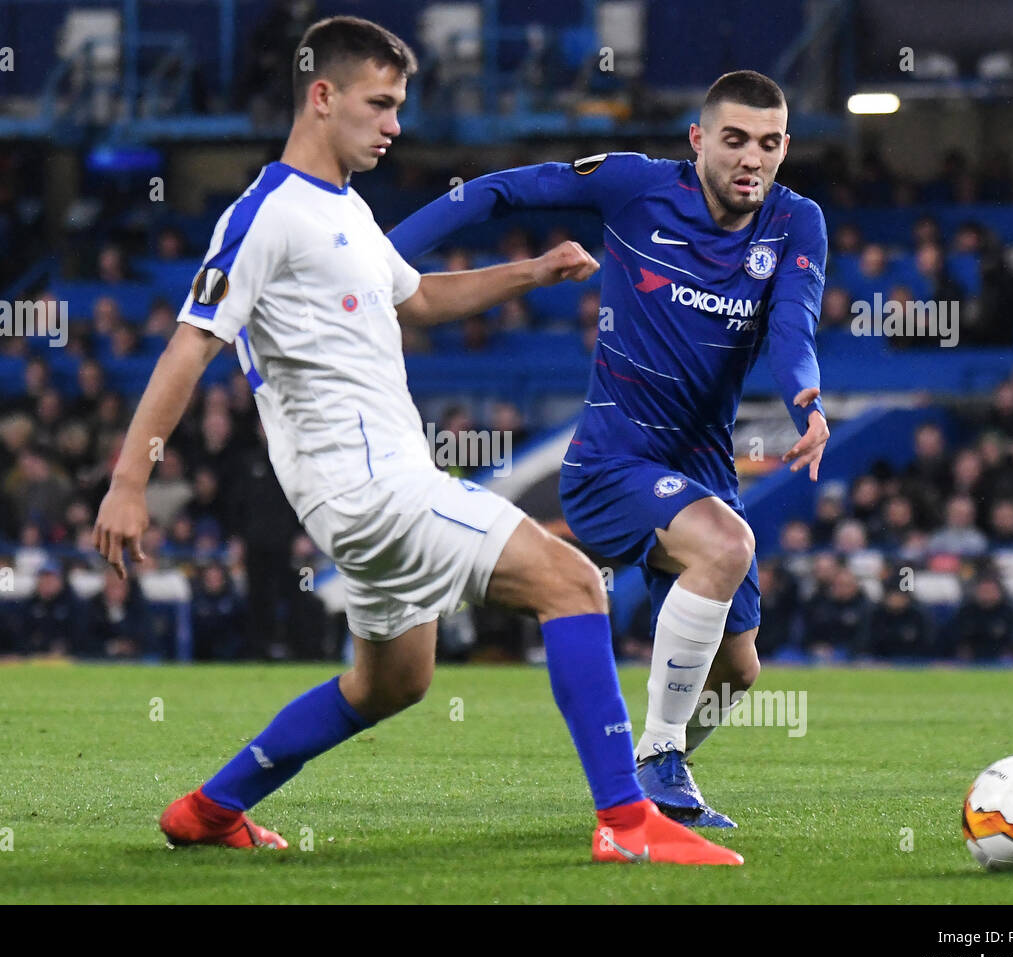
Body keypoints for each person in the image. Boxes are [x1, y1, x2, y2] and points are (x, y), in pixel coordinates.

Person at [91, 16, 740, 866]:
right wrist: (128, 482)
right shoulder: (268, 215)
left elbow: (417, 300)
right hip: (370, 487)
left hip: (367, 489)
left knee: (392, 681)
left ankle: (211, 808)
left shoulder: (349, 212)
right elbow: (191, 342)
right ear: (322, 97)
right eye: (381, 103)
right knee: (574, 582)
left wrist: (531, 272)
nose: (396, 123)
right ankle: (627, 821)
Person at [389, 70, 828, 827]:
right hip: (608, 465)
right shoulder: (632, 186)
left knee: (739, 667)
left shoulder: (796, 222)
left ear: (785, 147)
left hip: (702, 470)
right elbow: (499, 191)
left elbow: (793, 327)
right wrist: (386, 251)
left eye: (767, 143)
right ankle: (657, 764)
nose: (750, 158)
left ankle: (651, 781)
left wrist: (806, 399)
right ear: (698, 140)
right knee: (725, 544)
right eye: (732, 140)